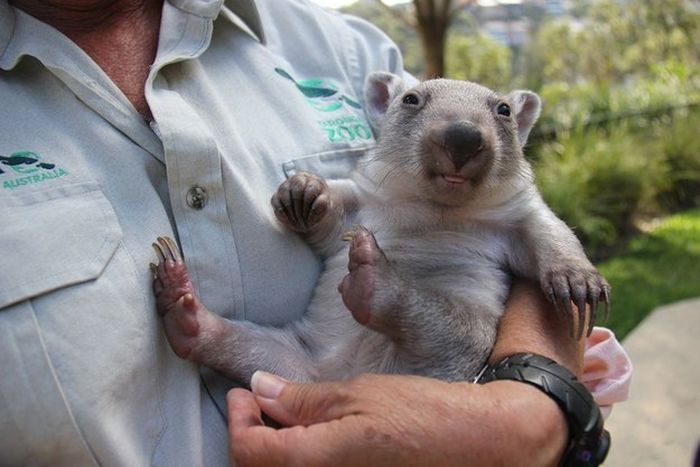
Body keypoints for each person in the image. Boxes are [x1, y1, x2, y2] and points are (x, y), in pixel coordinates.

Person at [0, 0, 631, 465]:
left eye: (498, 118)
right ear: (392, 108)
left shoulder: (339, 49)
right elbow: (362, 209)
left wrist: (530, 410)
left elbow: (540, 249)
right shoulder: (388, 142)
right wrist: (327, 207)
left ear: (517, 124)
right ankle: (210, 334)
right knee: (278, 352)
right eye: (416, 109)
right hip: (309, 358)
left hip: (434, 355)